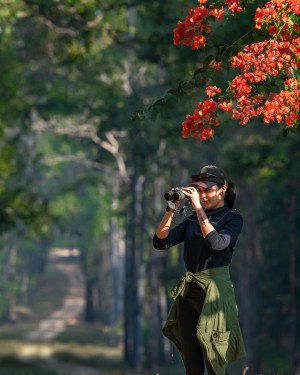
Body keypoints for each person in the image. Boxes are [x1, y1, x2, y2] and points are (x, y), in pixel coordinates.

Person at [153, 165, 246, 375]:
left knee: (214, 362)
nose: (202, 195)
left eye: (207, 190)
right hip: (189, 292)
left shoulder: (232, 218)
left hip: (215, 293)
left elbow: (217, 243)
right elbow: (160, 242)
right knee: (191, 363)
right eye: (199, 191)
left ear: (222, 189)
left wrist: (198, 209)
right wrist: (171, 210)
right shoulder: (193, 218)